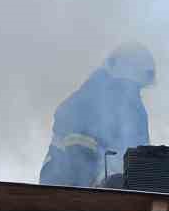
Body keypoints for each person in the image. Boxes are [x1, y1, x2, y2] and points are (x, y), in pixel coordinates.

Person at [40, 43, 155, 187]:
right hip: (63, 183)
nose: (135, 93)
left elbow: (138, 157)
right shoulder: (89, 99)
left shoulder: (132, 112)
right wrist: (98, 189)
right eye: (132, 86)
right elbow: (79, 154)